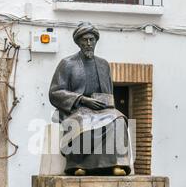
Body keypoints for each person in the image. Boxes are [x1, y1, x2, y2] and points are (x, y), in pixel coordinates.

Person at [49, 22, 132, 176]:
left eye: (91, 40)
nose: (88, 43)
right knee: (82, 121)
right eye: (85, 40)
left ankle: (116, 164)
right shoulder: (67, 64)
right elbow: (55, 92)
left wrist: (106, 103)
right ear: (78, 42)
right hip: (76, 109)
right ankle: (78, 165)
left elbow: (109, 93)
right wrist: (82, 100)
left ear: (95, 41)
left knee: (119, 119)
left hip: (100, 110)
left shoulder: (103, 64)